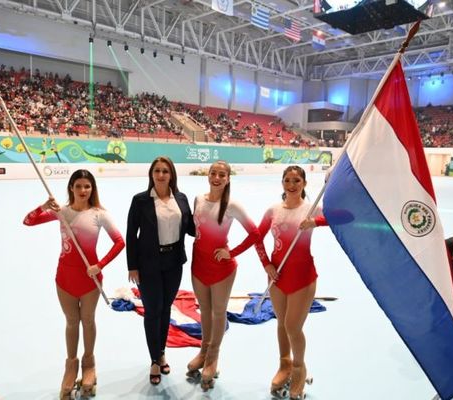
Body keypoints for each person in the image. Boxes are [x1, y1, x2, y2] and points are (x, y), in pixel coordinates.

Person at [23, 169, 125, 399]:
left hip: (90, 279)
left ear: (92, 189)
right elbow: (28, 221)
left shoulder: (100, 214)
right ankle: (71, 367)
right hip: (65, 278)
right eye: (78, 186)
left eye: (87, 186)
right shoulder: (63, 213)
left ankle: (89, 364)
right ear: (71, 188)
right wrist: (44, 206)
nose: (82, 191)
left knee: (87, 321)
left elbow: (120, 242)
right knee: (71, 323)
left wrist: (100, 265)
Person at [255, 166, 327, 400]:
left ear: (304, 184)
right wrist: (267, 264)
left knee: (292, 327)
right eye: (287, 180)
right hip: (277, 277)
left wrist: (316, 222)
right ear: (282, 183)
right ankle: (284, 364)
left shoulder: (311, 209)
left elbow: (344, 217)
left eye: (297, 180)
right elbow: (257, 238)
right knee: (281, 324)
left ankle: (299, 369)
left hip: (302, 278)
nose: (291, 184)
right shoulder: (273, 210)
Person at [186, 160, 259, 390]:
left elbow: (255, 233)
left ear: (228, 179)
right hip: (199, 265)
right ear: (208, 175)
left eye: (221, 175)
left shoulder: (232, 206)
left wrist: (231, 252)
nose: (216, 178)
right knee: (204, 311)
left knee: (219, 312)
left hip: (221, 269)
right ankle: (204, 350)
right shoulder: (198, 199)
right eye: (213, 173)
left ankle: (213, 357)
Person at [126, 156, 195, 385]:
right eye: (157, 170)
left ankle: (161, 351)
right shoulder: (141, 201)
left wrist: (216, 212)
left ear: (172, 174)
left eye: (165, 171)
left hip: (174, 261)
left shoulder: (182, 199)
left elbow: (193, 228)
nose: (161, 175)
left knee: (165, 309)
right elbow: (131, 235)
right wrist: (132, 266)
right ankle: (154, 360)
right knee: (152, 311)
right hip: (148, 263)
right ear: (151, 174)